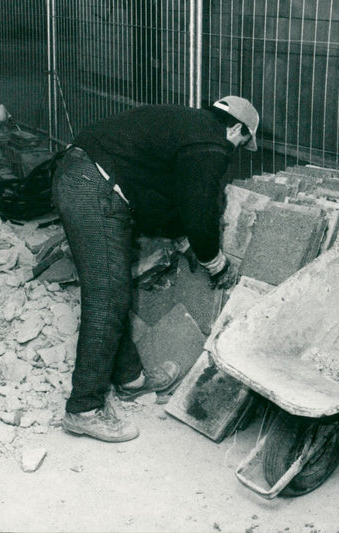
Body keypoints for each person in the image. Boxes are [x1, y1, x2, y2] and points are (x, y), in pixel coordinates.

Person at [52, 96, 260, 443]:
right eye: (242, 142)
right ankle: (83, 409)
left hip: (85, 176)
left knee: (114, 292)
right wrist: (214, 260)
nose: (235, 151)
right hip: (92, 185)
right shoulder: (210, 143)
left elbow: (163, 193)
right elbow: (199, 205)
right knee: (107, 297)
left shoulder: (187, 126)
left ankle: (131, 380)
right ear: (236, 127)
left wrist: (181, 236)